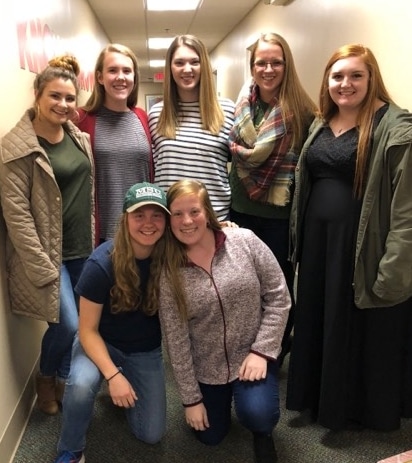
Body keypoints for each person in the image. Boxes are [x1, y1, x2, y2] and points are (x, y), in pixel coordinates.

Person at [286, 44, 412, 432]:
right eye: (338, 75)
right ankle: (318, 401)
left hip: (361, 245)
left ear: (372, 77)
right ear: (327, 81)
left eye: (356, 75)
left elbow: (406, 209)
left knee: (357, 324)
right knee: (321, 317)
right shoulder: (320, 123)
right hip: (318, 245)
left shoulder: (394, 127)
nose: (346, 83)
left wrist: (395, 265)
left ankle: (356, 411)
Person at [159, 179, 291, 463]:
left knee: (258, 414)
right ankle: (216, 402)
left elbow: (279, 297)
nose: (187, 221)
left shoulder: (244, 241)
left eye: (194, 211)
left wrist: (261, 351)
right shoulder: (169, 272)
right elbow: (176, 341)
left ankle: (261, 429)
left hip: (251, 356)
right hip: (207, 367)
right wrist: (191, 400)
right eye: (177, 214)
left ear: (207, 211)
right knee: (210, 437)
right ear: (169, 220)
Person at [0, 56, 95, 415]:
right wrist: (41, 265)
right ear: (37, 94)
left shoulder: (78, 138)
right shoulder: (16, 147)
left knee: (84, 322)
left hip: (82, 247)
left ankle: (66, 380)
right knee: (67, 323)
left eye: (70, 98)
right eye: (55, 96)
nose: (64, 105)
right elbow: (16, 214)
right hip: (48, 254)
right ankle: (45, 377)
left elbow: (85, 193)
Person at [53, 182, 168, 463]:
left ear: (166, 220)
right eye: (139, 215)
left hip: (144, 350)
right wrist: (114, 376)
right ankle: (71, 449)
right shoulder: (101, 263)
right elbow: (87, 329)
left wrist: (224, 228)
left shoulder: (171, 257)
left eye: (156, 215)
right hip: (99, 341)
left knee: (151, 434)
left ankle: (121, 387)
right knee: (80, 386)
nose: (148, 223)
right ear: (125, 218)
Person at [228, 32, 317, 365]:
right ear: (252, 67)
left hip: (280, 215)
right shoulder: (241, 106)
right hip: (241, 209)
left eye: (275, 62)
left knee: (278, 285)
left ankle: (275, 350)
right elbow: (235, 157)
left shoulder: (304, 111)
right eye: (261, 62)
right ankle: (245, 346)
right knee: (243, 283)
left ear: (286, 65)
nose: (268, 68)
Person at [148, 34, 235, 221]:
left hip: (214, 219)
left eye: (194, 62)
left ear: (204, 65)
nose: (187, 69)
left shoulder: (227, 110)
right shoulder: (156, 114)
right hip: (169, 219)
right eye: (179, 63)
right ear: (170, 68)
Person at [76, 43, 153, 242]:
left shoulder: (142, 118)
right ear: (100, 77)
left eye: (127, 71)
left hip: (144, 230)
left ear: (134, 77)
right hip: (103, 234)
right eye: (112, 70)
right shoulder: (82, 119)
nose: (120, 77)